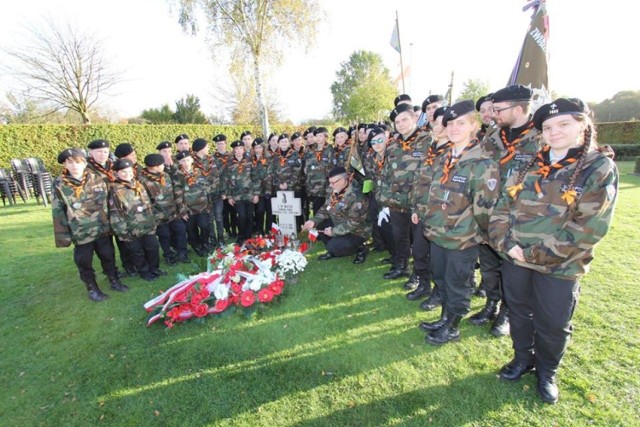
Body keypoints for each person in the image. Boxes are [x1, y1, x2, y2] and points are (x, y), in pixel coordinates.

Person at [489, 98, 618, 404]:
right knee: (519, 313)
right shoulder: (526, 163)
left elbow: (588, 228)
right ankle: (522, 359)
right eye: (547, 127)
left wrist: (529, 254)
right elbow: (500, 209)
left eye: (564, 124)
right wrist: (507, 245)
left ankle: (547, 371)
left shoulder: (598, 167)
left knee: (552, 324)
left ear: (583, 126)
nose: (554, 131)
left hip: (560, 266)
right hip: (515, 258)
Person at [417, 100, 500, 346]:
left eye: (460, 123)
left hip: (462, 238)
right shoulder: (445, 156)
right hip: (438, 232)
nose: (453, 128)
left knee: (458, 284)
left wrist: (477, 233)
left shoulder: (482, 161)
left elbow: (485, 208)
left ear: (474, 125)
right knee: (440, 277)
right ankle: (445, 318)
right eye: (450, 123)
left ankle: (452, 327)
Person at [477, 84, 542, 337]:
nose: (493, 114)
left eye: (498, 109)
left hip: (518, 217)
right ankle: (491, 304)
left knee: (511, 270)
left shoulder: (540, 137)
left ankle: (507, 312)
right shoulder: (493, 136)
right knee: (489, 266)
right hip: (487, 212)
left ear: (518, 108)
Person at [52, 148, 128, 302]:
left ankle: (114, 280)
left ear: (85, 163)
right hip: (81, 232)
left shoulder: (97, 178)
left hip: (101, 228)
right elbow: (58, 211)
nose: (74, 166)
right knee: (84, 261)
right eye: (70, 163)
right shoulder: (60, 184)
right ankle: (92, 288)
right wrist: (63, 236)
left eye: (78, 163)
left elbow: (109, 202)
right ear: (65, 164)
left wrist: (114, 223)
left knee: (108, 255)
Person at [378, 103, 432, 295]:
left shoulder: (427, 140)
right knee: (399, 237)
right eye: (397, 121)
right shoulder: (393, 144)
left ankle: (420, 275)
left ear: (414, 118)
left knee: (419, 243)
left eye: (404, 120)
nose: (400, 124)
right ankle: (402, 266)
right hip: (397, 202)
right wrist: (384, 198)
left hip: (418, 202)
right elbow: (386, 173)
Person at [410, 106, 450, 310]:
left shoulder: (453, 151)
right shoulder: (430, 147)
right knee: (418, 251)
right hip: (423, 210)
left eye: (443, 123)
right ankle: (424, 284)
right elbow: (420, 180)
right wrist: (416, 208)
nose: (438, 127)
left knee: (438, 260)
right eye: (435, 122)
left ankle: (439, 292)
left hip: (441, 214)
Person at [109, 158, 163, 281]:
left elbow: (149, 204)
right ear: (116, 174)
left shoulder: (139, 185)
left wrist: (153, 221)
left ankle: (155, 269)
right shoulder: (116, 190)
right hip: (131, 230)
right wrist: (124, 232)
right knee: (137, 252)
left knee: (153, 247)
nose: (127, 174)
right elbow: (115, 213)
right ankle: (144, 272)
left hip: (147, 225)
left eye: (129, 171)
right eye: (123, 172)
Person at [302, 166, 370, 263]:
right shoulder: (335, 190)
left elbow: (353, 223)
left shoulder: (355, 196)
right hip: (340, 222)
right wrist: (313, 221)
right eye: (330, 182)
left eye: (334, 182)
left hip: (357, 231)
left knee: (333, 245)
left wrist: (333, 231)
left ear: (343, 180)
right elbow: (325, 208)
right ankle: (333, 249)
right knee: (319, 225)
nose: (331, 185)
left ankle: (361, 248)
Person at [139, 153, 190, 265]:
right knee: (164, 235)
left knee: (181, 230)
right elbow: (144, 200)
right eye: (161, 165)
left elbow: (173, 191)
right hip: (159, 216)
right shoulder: (143, 181)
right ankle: (168, 255)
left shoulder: (165, 175)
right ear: (154, 167)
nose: (163, 166)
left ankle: (182, 252)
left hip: (173, 212)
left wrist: (179, 208)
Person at [362, 127, 395, 261]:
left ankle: (399, 258)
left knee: (395, 229)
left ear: (386, 139)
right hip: (378, 196)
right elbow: (371, 178)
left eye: (380, 140)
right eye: (373, 142)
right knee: (383, 227)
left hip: (394, 199)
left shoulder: (394, 155)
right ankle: (393, 254)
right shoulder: (371, 158)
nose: (377, 144)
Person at [173, 151, 211, 257]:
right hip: (188, 208)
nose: (186, 162)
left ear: (192, 160)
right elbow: (178, 194)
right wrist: (182, 210)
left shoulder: (199, 171)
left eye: (188, 160)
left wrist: (208, 202)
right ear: (179, 162)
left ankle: (204, 243)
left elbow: (206, 186)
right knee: (191, 229)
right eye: (183, 161)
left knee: (204, 226)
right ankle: (196, 245)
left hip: (202, 206)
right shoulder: (177, 175)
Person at [224, 140, 259, 243]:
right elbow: (227, 181)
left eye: (240, 149)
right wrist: (229, 196)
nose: (238, 151)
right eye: (236, 149)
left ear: (243, 149)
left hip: (249, 194)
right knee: (242, 216)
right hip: (237, 196)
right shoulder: (229, 164)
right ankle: (241, 235)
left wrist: (256, 194)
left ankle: (248, 236)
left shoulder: (249, 161)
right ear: (233, 150)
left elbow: (255, 178)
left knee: (249, 215)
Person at [304, 126, 334, 217]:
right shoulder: (310, 150)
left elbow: (331, 168)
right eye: (316, 136)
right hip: (313, 186)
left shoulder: (330, 149)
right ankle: (316, 229)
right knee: (316, 208)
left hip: (325, 186)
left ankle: (324, 229)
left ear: (325, 137)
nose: (318, 138)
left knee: (326, 209)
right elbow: (306, 168)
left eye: (321, 136)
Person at [251, 138, 270, 235]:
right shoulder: (250, 160)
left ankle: (269, 231)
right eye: (255, 147)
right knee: (260, 211)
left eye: (259, 147)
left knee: (270, 212)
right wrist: (255, 193)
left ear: (263, 148)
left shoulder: (269, 158)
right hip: (258, 191)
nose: (257, 149)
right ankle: (259, 230)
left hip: (269, 189)